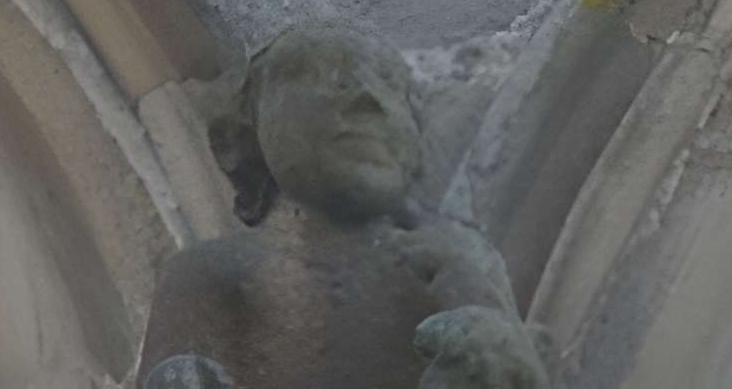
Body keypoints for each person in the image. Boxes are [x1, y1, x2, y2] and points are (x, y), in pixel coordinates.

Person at [136, 21, 548, 389]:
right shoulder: (211, 270)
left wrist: (488, 334)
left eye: (391, 84)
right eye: (319, 75)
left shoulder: (453, 260)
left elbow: (508, 369)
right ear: (243, 136)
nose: (368, 97)